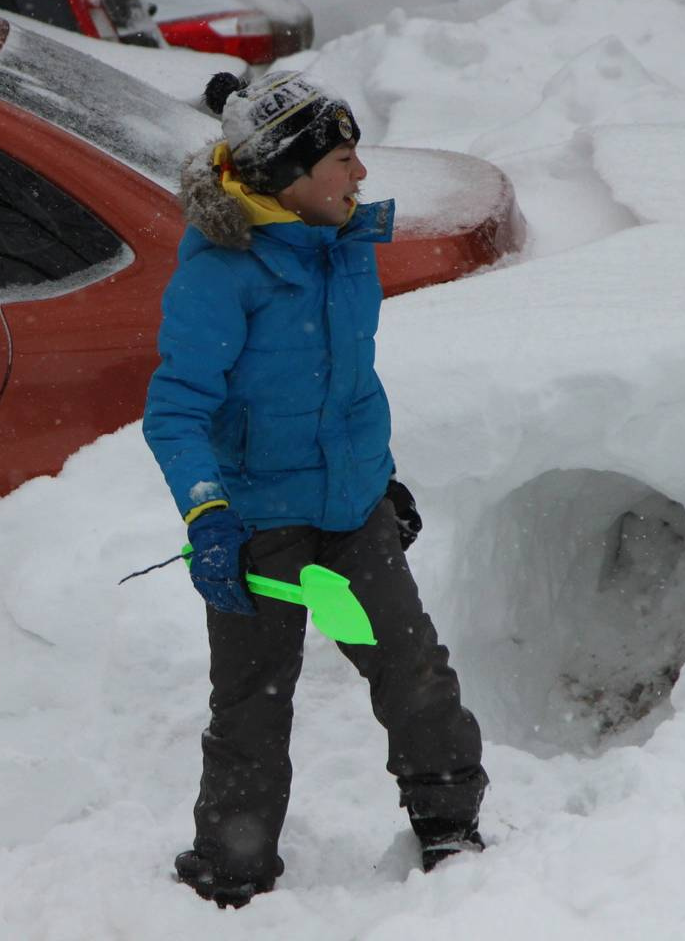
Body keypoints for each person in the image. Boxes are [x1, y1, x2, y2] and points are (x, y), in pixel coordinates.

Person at [141, 70, 488, 909]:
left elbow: (348, 386)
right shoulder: (223, 275)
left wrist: (379, 479)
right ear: (289, 177)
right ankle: (231, 869)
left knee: (415, 676)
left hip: (352, 512)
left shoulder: (342, 248)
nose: (360, 175)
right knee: (253, 710)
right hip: (258, 530)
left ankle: (450, 826)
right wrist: (207, 513)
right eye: (342, 158)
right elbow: (174, 412)